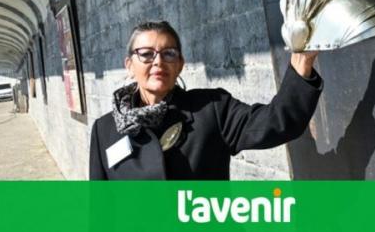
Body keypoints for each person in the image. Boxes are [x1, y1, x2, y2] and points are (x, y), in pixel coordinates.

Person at [89, 21, 323, 180]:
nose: (158, 62)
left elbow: (274, 123)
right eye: (146, 54)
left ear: (180, 64)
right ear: (129, 64)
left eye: (169, 53)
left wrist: (302, 64)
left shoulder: (211, 109)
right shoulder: (105, 130)